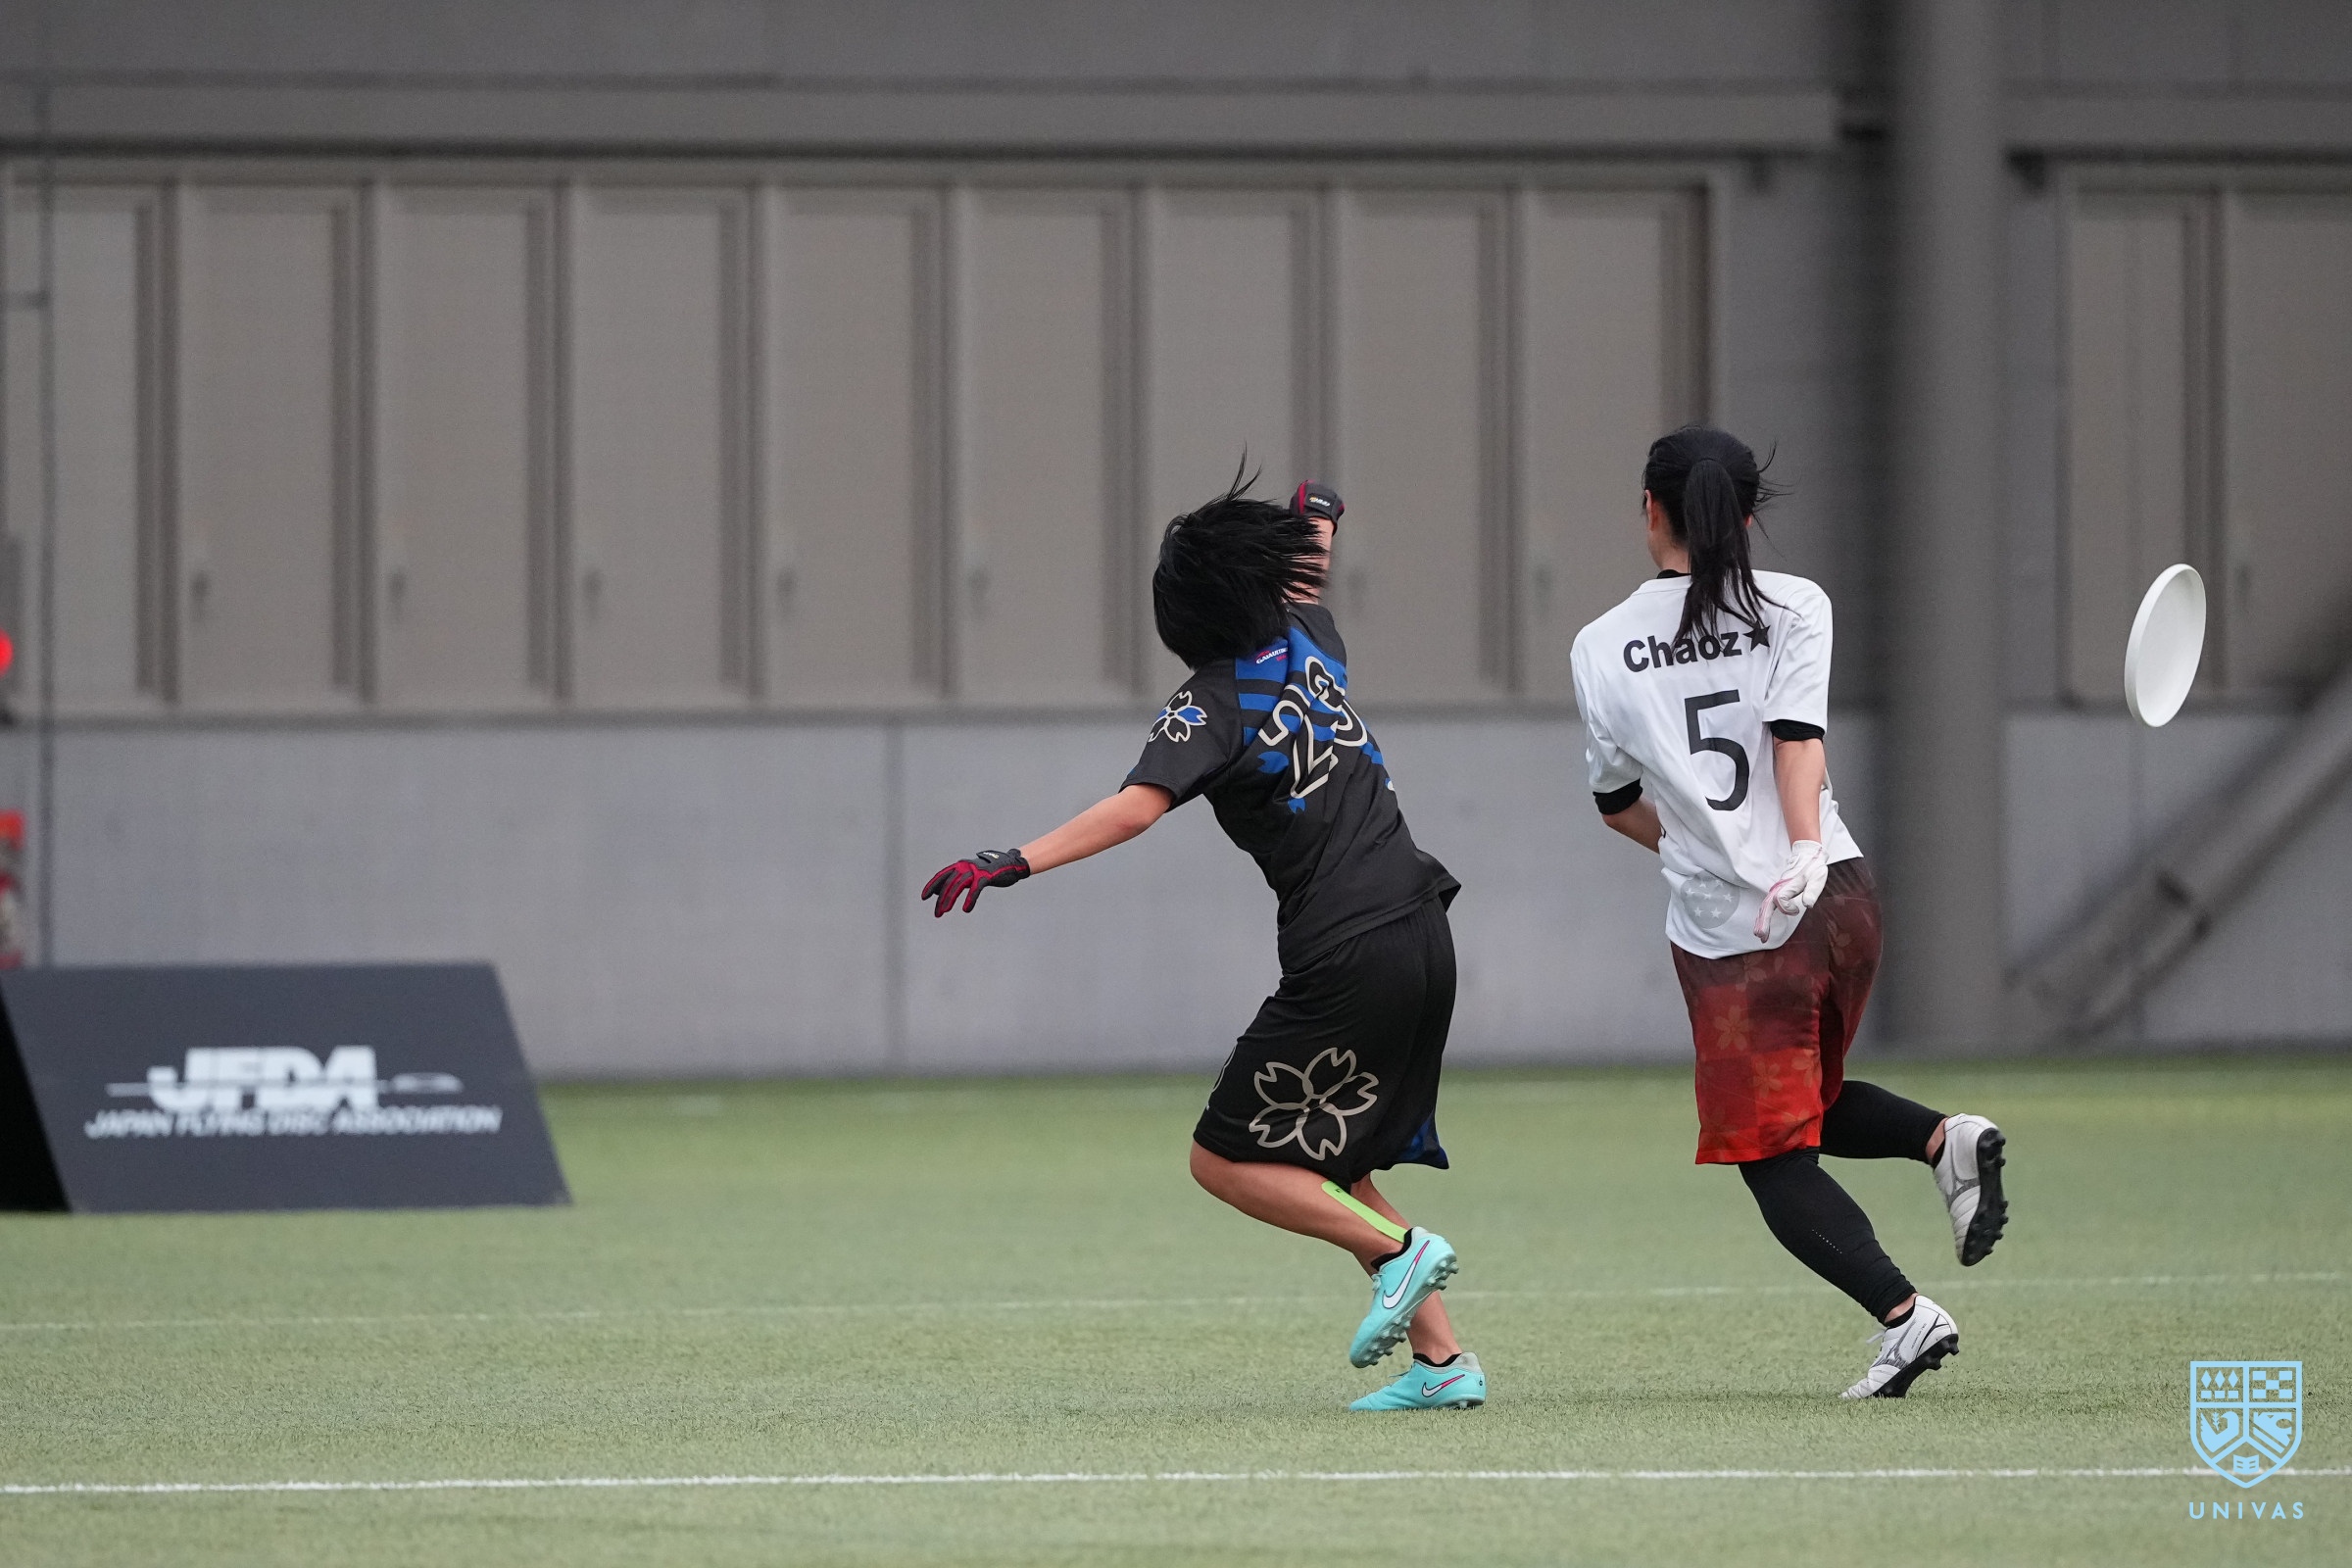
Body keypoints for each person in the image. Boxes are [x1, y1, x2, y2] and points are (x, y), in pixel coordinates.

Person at [921, 475, 1482, 1412]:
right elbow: (1305, 572)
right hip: (1422, 929)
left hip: (1347, 949)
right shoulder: (1311, 643)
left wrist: (1013, 860)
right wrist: (1316, 518)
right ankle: (1443, 1364)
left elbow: (1135, 809)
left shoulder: (1208, 705)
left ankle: (1401, 1252)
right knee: (1331, 1161)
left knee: (1222, 1158)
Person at [1568, 425, 2009, 1399]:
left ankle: (1904, 1316)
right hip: (1842, 899)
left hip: (1740, 937)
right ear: (1749, 515)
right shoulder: (1799, 603)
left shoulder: (1600, 646)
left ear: (1650, 509)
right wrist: (1807, 851)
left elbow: (1615, 803)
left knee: (1770, 1154)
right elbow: (1796, 740)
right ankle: (1945, 1141)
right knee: (1805, 1093)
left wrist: (1704, 848)